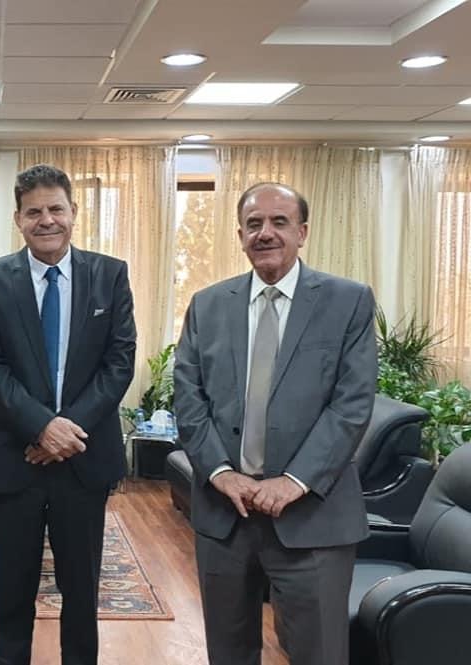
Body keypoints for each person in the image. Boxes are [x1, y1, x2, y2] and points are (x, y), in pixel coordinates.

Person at [173, 182, 378, 665]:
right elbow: (188, 397)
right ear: (240, 236)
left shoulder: (347, 301)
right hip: (226, 514)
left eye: (279, 222)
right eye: (253, 224)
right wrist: (222, 473)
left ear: (302, 232)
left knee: (319, 653)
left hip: (313, 516)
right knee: (228, 653)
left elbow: (351, 404)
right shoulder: (208, 304)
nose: (265, 233)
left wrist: (294, 481)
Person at [0, 164, 136, 665]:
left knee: (81, 590)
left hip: (83, 461)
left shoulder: (110, 275)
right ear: (18, 219)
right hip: (15, 458)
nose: (46, 220)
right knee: (11, 588)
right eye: (34, 211)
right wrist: (43, 427)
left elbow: (119, 363)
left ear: (73, 212)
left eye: (56, 209)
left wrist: (65, 432)